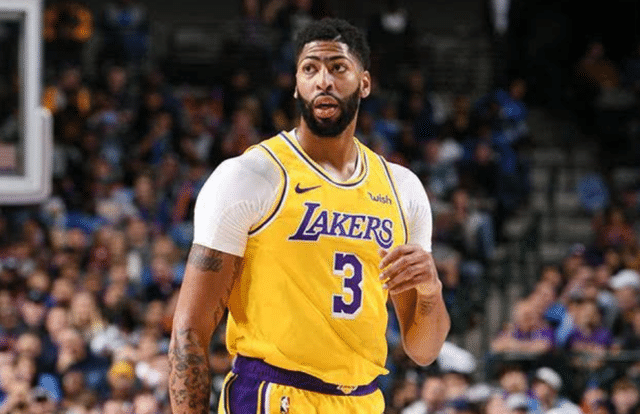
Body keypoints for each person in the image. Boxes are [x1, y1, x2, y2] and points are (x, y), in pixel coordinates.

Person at [168, 17, 450, 414]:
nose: (323, 81)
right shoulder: (251, 176)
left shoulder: (402, 189)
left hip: (362, 400)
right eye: (310, 69)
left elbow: (423, 350)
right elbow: (189, 330)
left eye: (338, 68)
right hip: (272, 394)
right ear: (297, 84)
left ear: (364, 83)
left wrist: (431, 290)